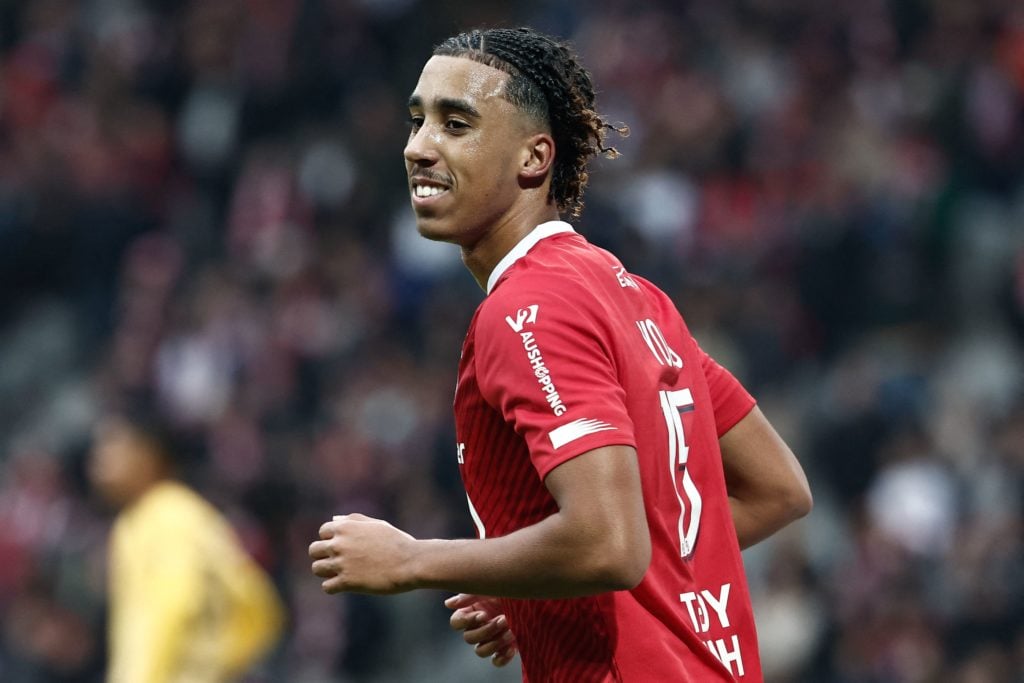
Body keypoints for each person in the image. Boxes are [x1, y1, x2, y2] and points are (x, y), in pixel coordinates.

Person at [309, 26, 812, 681]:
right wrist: (535, 575)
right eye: (417, 120)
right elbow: (778, 490)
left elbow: (609, 541)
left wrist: (413, 559)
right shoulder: (633, 294)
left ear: (533, 158)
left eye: (455, 124)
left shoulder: (528, 309)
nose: (419, 147)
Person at [89, 409, 284, 683]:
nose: (99, 457)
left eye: (112, 443)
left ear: (149, 453)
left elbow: (169, 609)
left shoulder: (161, 517)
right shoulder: (183, 513)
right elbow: (258, 605)